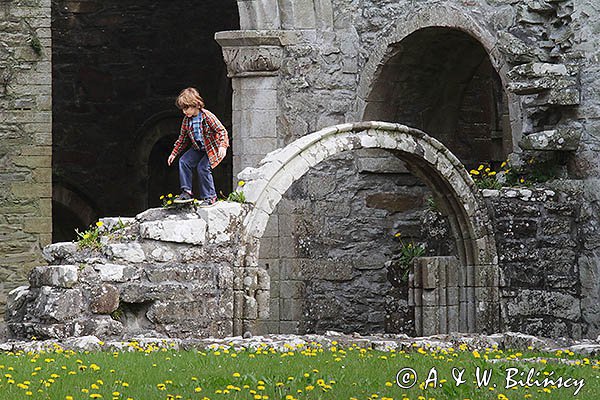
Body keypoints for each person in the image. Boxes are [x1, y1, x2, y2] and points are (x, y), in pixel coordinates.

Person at [168, 87, 229, 207]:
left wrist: (223, 146)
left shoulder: (207, 116)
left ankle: (210, 197)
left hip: (212, 149)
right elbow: (182, 139)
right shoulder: (186, 120)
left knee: (203, 168)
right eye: (183, 109)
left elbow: (221, 131)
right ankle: (187, 192)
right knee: (184, 161)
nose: (185, 112)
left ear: (196, 105)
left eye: (187, 108)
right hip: (198, 148)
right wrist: (174, 153)